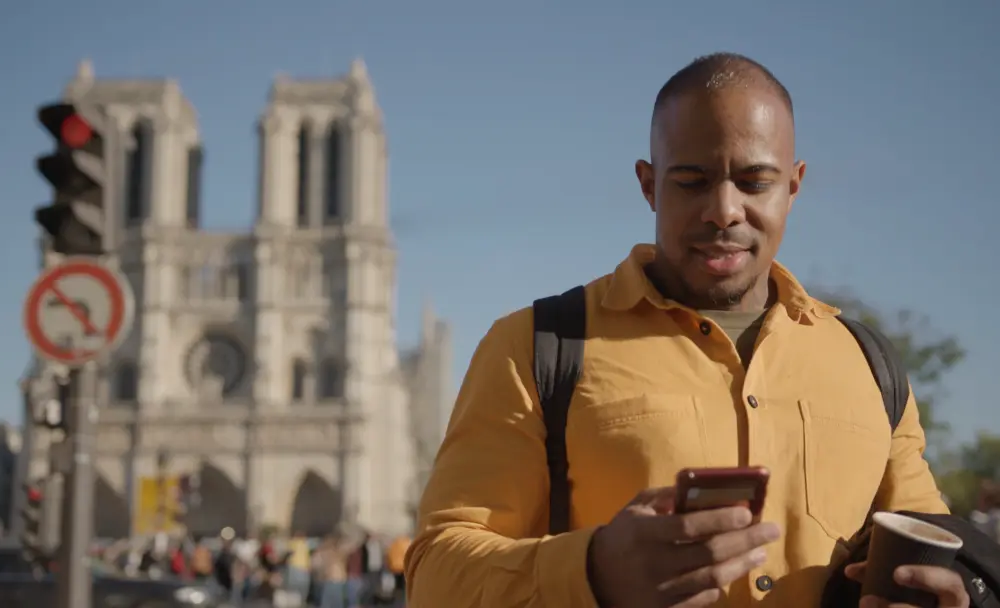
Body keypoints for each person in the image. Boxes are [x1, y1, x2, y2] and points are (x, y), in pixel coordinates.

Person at [405, 53, 969, 608]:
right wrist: (593, 571)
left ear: (793, 188)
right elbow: (436, 576)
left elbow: (934, 547)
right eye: (692, 181)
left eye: (754, 182)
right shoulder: (536, 348)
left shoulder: (868, 364)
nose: (723, 210)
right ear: (648, 185)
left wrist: (946, 592)